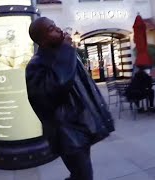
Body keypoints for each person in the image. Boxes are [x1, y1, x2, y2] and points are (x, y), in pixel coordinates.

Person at [26, 17, 115, 180]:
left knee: (81, 174)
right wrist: (67, 50)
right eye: (51, 29)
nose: (59, 29)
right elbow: (56, 88)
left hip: (81, 126)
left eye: (56, 25)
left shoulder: (63, 53)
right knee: (83, 175)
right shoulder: (36, 64)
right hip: (66, 133)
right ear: (42, 40)